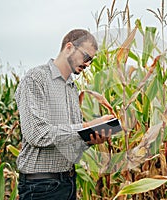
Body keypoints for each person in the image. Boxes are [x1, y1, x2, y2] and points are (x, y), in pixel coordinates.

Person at [15, 29, 114, 200]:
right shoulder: (36, 78)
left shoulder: (71, 88)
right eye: (86, 57)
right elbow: (37, 135)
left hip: (68, 182)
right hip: (41, 187)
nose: (88, 64)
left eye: (91, 60)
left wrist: (91, 137)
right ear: (69, 48)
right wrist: (87, 126)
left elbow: (70, 142)